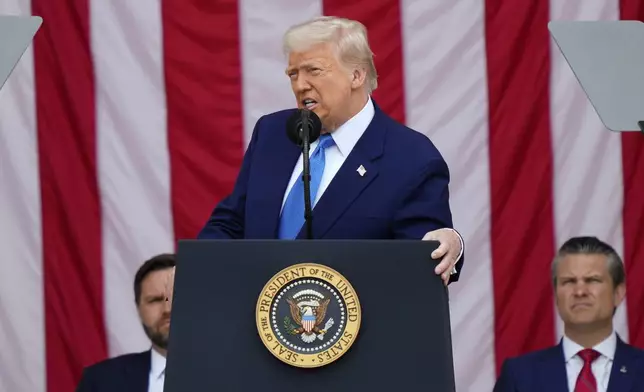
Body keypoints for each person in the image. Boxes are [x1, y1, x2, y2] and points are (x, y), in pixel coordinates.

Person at [197, 16, 465, 284]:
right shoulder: (273, 134)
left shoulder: (411, 158)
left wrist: (452, 245)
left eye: (313, 71)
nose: (300, 85)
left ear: (356, 75)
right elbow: (231, 222)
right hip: (255, 316)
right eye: (293, 74)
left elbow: (427, 256)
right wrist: (193, 269)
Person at [493, 236, 644, 391]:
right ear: (557, 294)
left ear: (618, 293)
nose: (579, 291)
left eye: (592, 280)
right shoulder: (519, 376)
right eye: (569, 281)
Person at [75, 254, 175, 392]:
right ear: (139, 309)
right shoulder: (100, 381)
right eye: (155, 300)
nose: (167, 309)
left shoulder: (216, 372)